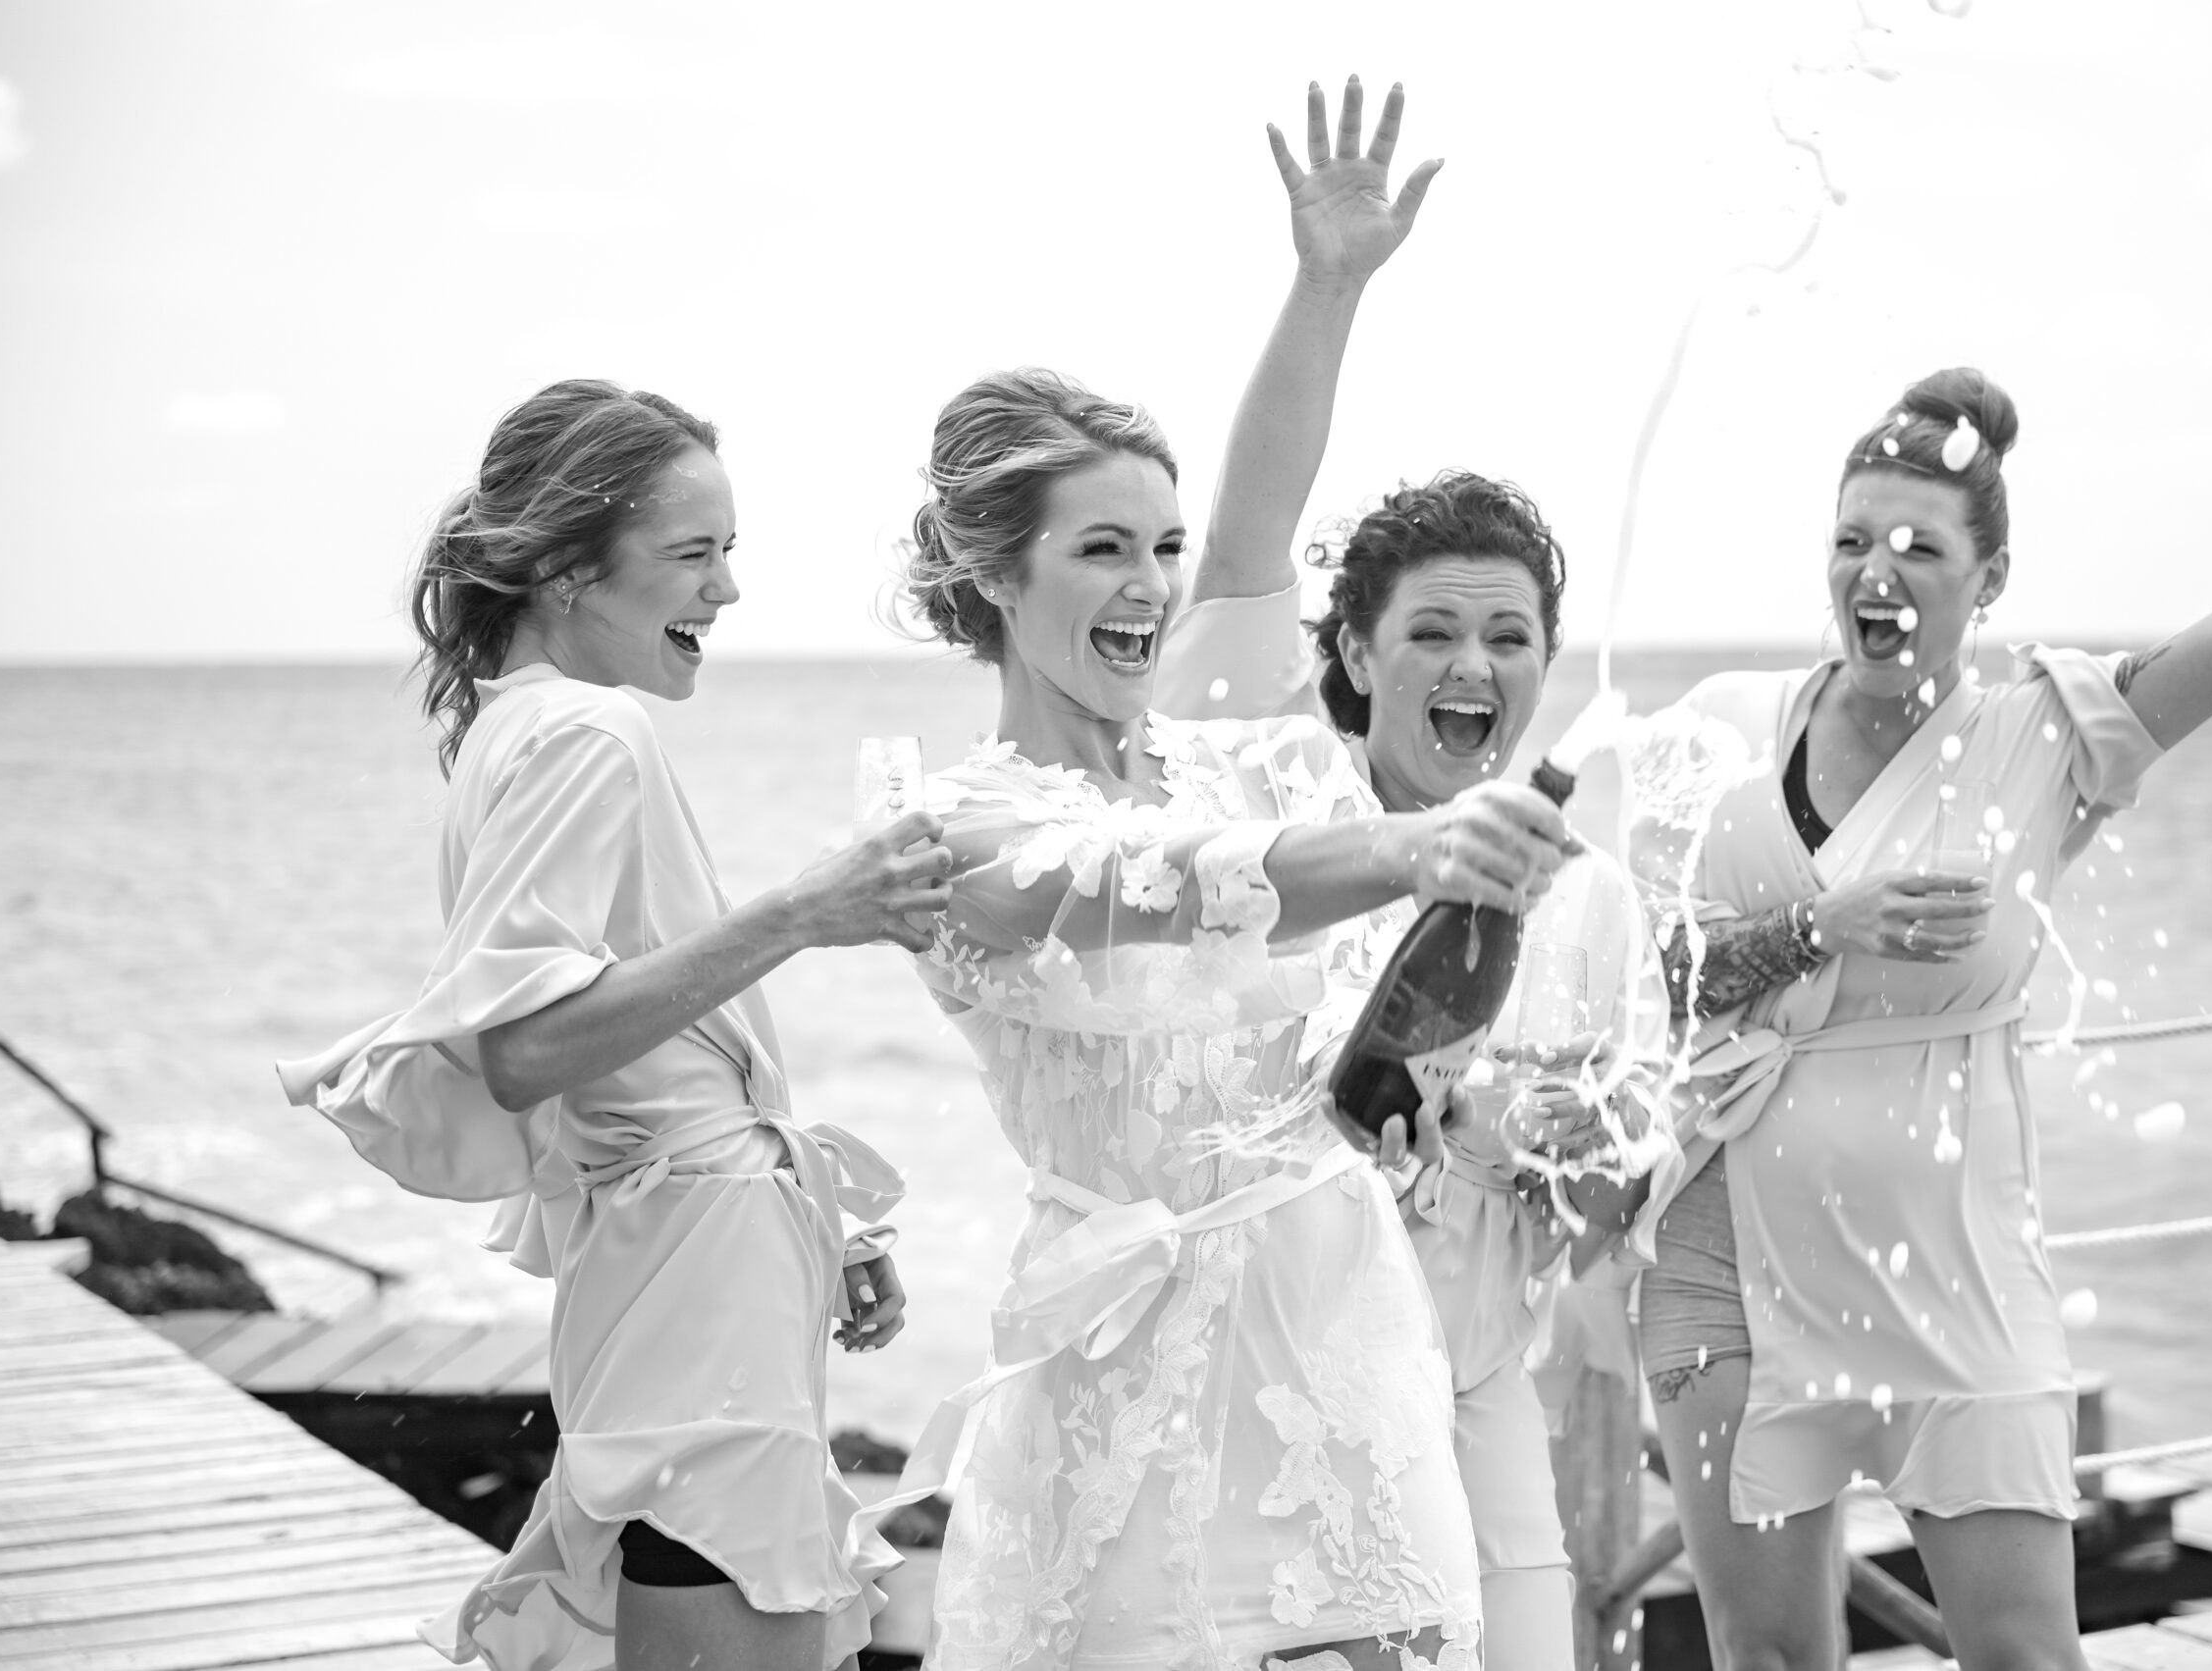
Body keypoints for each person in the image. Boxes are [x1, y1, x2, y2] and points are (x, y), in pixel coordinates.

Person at [1626, 368, 2212, 1671]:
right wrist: (1823, 924)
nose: (1881, 571)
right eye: (1854, 540)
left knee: (2028, 1655)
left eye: (1922, 546)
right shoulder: (1725, 728)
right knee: (1764, 1660)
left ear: (1993, 578)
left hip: (1951, 1271)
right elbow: (1656, 980)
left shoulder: (2045, 740)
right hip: (1719, 1250)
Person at [887, 339, 1580, 1670]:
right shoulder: (953, 826)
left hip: (1340, 1346)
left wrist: (1407, 1097)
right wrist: (1404, 850)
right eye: (1102, 549)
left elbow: (1256, 550)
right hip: (1120, 1378)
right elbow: (1145, 884)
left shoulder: (1242, 765)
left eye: (1163, 547)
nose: (1150, 588)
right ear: (992, 571)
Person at [277, 380, 951, 1671]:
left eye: (729, 552)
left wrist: (821, 1224)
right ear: (575, 570)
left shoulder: (509, 729)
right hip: (692, 1256)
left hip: (674, 1247)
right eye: (694, 556)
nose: (728, 592)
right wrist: (807, 909)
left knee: (693, 1598)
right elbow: (524, 1050)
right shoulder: (590, 730)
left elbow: (608, 1050)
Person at [1151, 80, 1657, 1669]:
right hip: (1274, 1402)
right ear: (1355, 653)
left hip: (1474, 1388)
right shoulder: (1280, 803)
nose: (1473, 663)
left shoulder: (1589, 894)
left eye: (1508, 636)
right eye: (1432, 628)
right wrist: (1329, 286)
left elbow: (1620, 1191)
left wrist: (1566, 1141)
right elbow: (1239, 551)